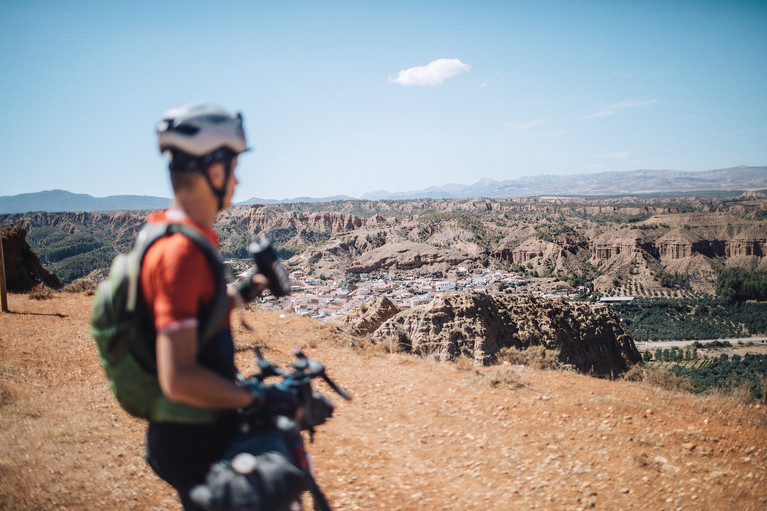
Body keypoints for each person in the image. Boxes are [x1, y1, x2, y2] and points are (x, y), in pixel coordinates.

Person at [142, 103, 275, 510]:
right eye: (233, 166)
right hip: (195, 437)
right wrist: (253, 398)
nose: (237, 179)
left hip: (189, 432)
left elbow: (195, 318)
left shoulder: (168, 233)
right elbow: (179, 377)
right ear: (212, 170)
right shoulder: (181, 252)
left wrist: (246, 291)